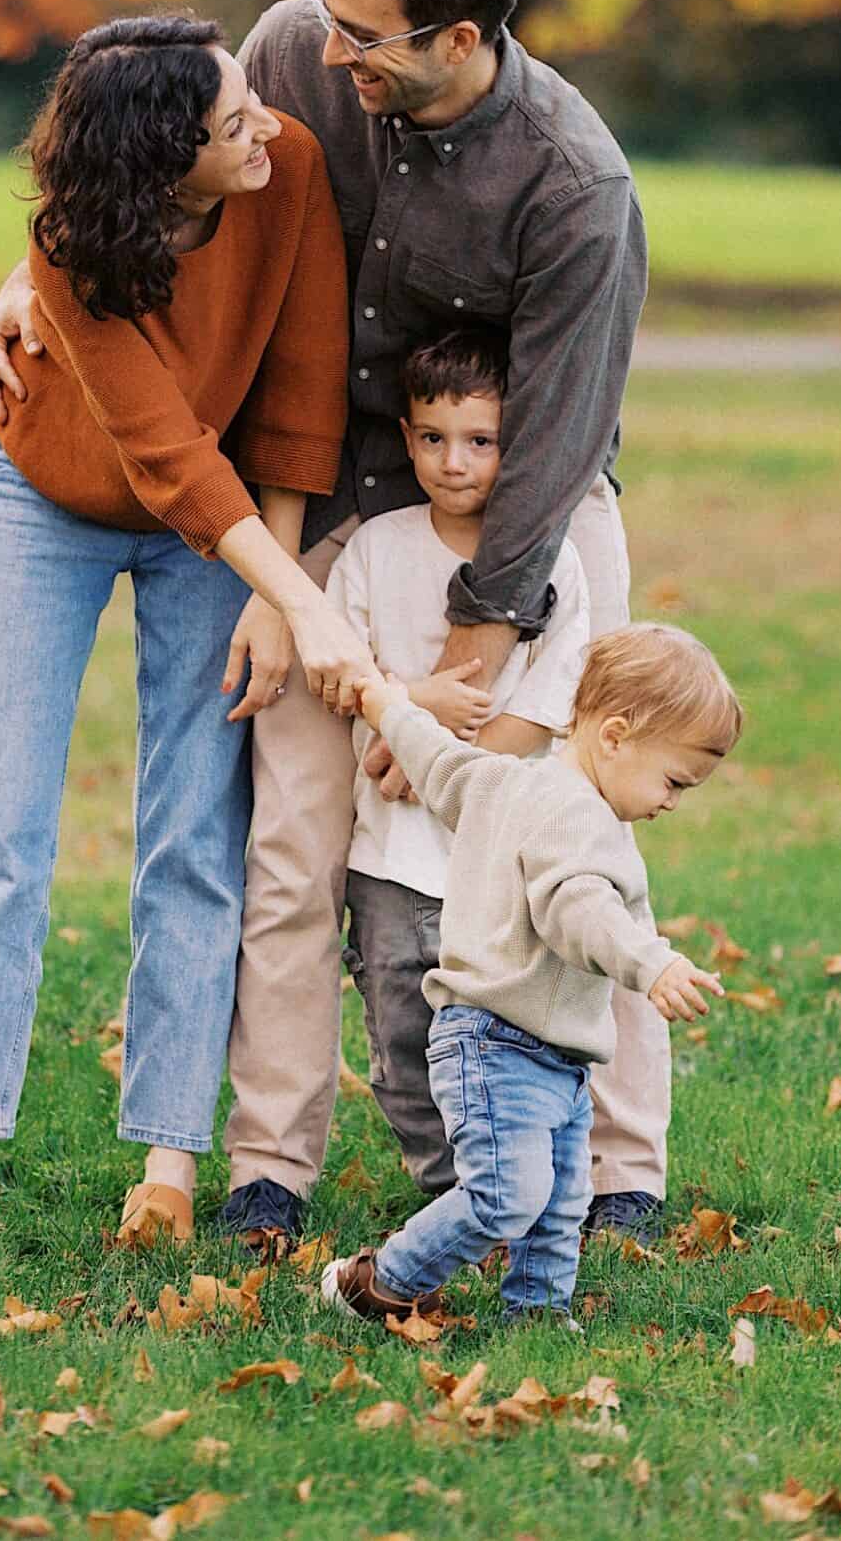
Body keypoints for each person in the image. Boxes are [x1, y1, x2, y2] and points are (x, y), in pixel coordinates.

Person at [0, 0, 661, 1251]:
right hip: (322, 498)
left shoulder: (574, 185)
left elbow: (559, 436)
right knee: (292, 849)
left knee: (553, 834)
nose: (323, 45)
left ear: (457, 39)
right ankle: (269, 1167)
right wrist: (31, 273)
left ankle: (614, 1171)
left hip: (514, 509)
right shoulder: (297, 45)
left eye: (362, 32)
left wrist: (467, 665)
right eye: (323, 13)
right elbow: (157, 170)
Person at [0, 14, 372, 1250]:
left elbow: (301, 393)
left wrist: (272, 590)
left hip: (221, 530)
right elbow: (158, 448)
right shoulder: (69, 248)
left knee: (196, 828)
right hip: (47, 496)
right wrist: (306, 604)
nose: (265, 126)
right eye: (231, 123)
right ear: (157, 163)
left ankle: (168, 1165)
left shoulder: (286, 169)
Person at [319, 624, 738, 1325]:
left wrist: (389, 708)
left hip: (551, 1054)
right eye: (673, 781)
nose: (671, 802)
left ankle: (537, 1314)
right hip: (499, 1044)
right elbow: (579, 908)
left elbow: (437, 760)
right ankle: (377, 1281)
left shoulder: (506, 780)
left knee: (559, 1204)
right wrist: (651, 962)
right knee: (506, 1199)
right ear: (614, 736)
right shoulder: (579, 819)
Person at [325, 332, 590, 1191]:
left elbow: (549, 706)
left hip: (501, 860)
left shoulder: (552, 558)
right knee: (404, 1037)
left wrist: (441, 755)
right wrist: (416, 700)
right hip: (392, 857)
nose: (454, 462)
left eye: (481, 440)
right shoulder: (376, 548)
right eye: (434, 438)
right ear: (406, 438)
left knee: (510, 1038)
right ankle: (448, 1191)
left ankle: (520, 1185)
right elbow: (343, 673)